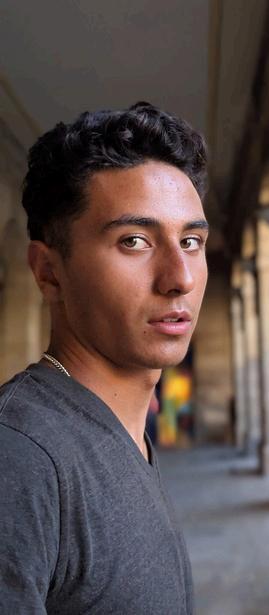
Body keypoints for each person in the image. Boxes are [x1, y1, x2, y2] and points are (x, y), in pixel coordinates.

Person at [0, 102, 209, 614]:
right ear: (49, 272)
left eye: (190, 240)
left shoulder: (120, 429)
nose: (180, 277)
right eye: (134, 241)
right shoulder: (20, 457)